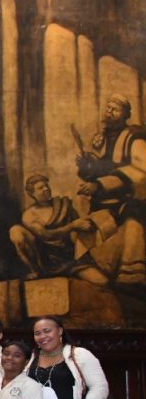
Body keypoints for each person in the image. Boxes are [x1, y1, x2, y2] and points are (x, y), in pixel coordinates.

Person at [72, 93, 146, 287]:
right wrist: (87, 166)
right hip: (103, 205)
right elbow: (99, 170)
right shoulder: (102, 137)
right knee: (85, 235)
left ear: (125, 114)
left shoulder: (134, 137)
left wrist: (100, 185)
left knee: (132, 220)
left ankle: (130, 275)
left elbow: (140, 171)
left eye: (115, 109)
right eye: (108, 108)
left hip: (127, 202)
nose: (109, 112)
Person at [28, 316, 109, 399]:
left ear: (60, 331)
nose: (42, 336)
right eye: (37, 333)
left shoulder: (79, 354)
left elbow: (100, 387)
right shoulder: (32, 357)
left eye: (47, 331)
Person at [10, 174, 91, 278]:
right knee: (15, 231)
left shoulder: (63, 205)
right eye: (40, 188)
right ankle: (34, 271)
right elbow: (46, 235)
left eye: (46, 185)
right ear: (31, 193)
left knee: (102, 281)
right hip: (46, 259)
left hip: (69, 256)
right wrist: (72, 226)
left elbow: (78, 231)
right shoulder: (29, 214)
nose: (46, 189)